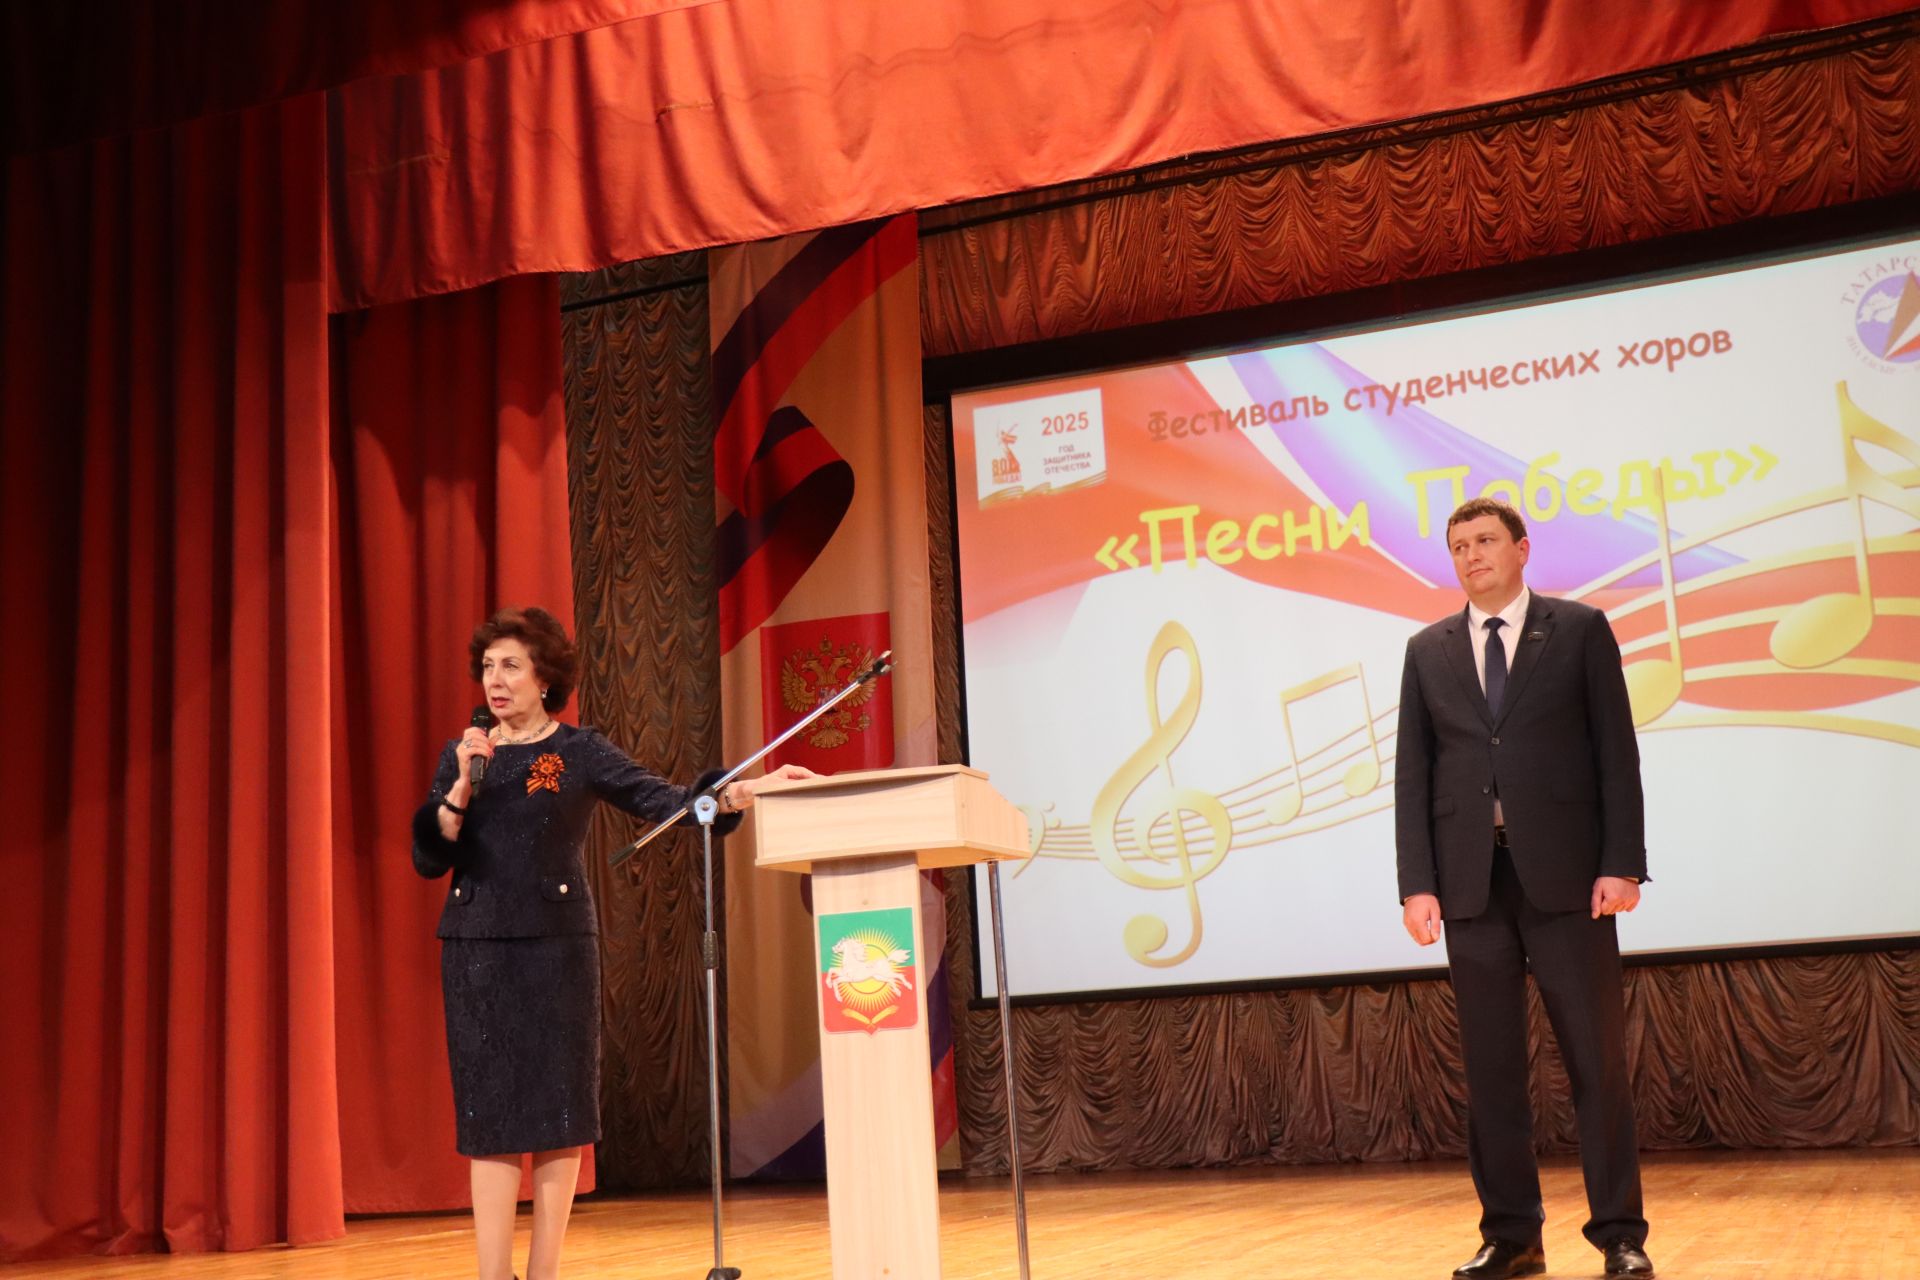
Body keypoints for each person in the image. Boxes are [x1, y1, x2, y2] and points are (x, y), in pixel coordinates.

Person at [411, 605, 810, 1280]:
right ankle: (492, 1275)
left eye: (511, 666)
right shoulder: (466, 752)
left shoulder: (579, 751)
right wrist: (458, 786)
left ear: (545, 678)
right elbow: (428, 857)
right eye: (487, 667)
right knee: (491, 1113)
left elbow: (666, 801)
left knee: (561, 1110)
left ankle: (545, 1272)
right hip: (476, 950)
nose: (495, 680)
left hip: (559, 949)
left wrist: (745, 790)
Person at [1394, 499, 1654, 1280]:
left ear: (1521, 549)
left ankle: (1619, 1234)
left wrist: (1622, 862)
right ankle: (1512, 1237)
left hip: (1571, 880)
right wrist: (1417, 883)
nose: (1471, 555)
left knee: (1596, 1064)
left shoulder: (1578, 630)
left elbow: (1616, 754)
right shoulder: (1427, 650)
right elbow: (1414, 775)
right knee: (1492, 1071)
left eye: (1485, 541)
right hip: (1470, 887)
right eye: (1458, 546)